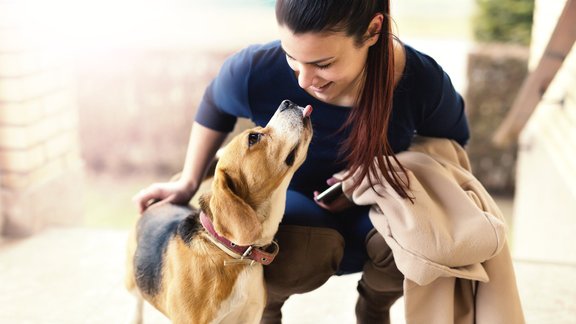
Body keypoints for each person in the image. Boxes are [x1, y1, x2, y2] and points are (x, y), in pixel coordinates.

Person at [133, 0, 469, 323]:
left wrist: (378, 173)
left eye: (323, 64)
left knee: (420, 236)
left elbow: (451, 147)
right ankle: (264, 310)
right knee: (288, 244)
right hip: (294, 208)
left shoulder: (422, 81)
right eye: (292, 58)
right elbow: (215, 105)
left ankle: (375, 307)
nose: (304, 82)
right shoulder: (256, 67)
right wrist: (189, 180)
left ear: (372, 30)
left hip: (376, 210)